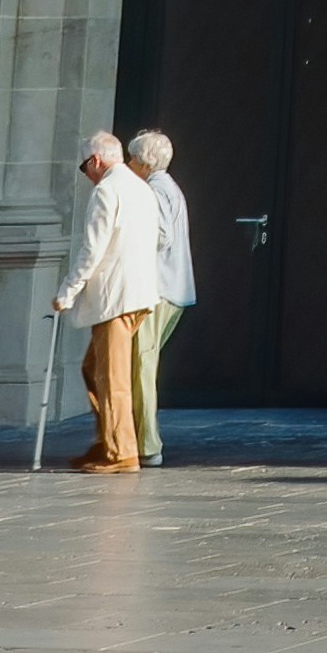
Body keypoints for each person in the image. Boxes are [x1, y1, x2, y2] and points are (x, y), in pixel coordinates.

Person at [52, 129, 161, 476]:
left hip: (117, 297)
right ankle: (107, 441)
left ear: (96, 160)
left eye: (84, 166)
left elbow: (92, 249)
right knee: (93, 367)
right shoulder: (141, 188)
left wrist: (68, 291)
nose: (85, 173)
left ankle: (121, 452)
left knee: (111, 376)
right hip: (138, 293)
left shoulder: (107, 190)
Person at [125, 125, 193, 462]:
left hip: (158, 289)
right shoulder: (168, 188)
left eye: (132, 158)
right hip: (172, 288)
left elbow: (161, 235)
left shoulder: (153, 190)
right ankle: (142, 441)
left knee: (141, 365)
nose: (129, 165)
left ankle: (147, 445)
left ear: (144, 162)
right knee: (142, 364)